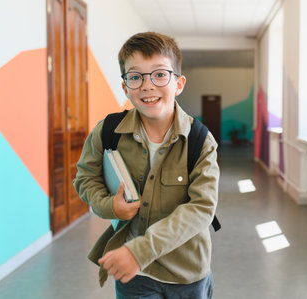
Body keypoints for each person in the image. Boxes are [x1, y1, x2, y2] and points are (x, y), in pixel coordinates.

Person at [73, 31, 219, 298]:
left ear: (179, 83)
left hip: (187, 274)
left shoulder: (200, 140)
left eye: (160, 74)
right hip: (136, 276)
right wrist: (110, 206)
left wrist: (140, 251)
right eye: (136, 76)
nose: (147, 85)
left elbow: (201, 208)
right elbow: (85, 178)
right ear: (125, 87)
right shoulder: (107, 131)